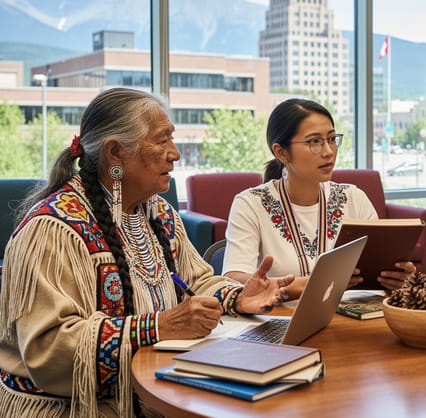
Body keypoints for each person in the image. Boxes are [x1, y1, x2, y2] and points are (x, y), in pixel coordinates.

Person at [0, 87, 290, 417]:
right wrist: (158, 327)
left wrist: (236, 298)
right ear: (115, 152)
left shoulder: (158, 214)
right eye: (162, 140)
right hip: (73, 408)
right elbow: (49, 349)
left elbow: (196, 282)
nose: (175, 153)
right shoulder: (52, 229)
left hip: (153, 391)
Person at [222, 98, 414, 301]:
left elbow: (377, 269)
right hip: (280, 321)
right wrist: (316, 283)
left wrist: (399, 280)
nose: (329, 151)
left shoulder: (353, 198)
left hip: (349, 318)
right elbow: (234, 280)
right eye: (314, 142)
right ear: (281, 152)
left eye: (332, 139)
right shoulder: (251, 204)